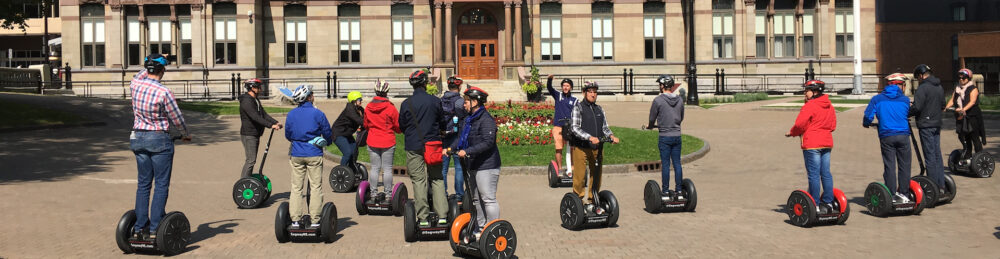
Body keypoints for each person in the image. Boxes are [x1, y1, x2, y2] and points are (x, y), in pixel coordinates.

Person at [129, 54, 192, 239]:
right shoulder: (164, 92)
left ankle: (140, 227)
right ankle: (155, 228)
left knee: (143, 184)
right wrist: (185, 133)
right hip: (158, 139)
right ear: (163, 70)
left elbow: (139, 74)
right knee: (161, 184)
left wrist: (154, 60)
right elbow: (177, 118)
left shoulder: (135, 85)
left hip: (138, 137)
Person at [446, 86, 500, 242]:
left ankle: (493, 230)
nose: (464, 105)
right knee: (476, 199)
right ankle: (481, 228)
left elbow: (488, 142)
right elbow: (461, 138)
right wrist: (450, 148)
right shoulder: (468, 120)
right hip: (473, 164)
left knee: (488, 198)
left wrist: (467, 151)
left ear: (475, 102)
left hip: (487, 165)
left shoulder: (486, 120)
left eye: (466, 101)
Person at [399, 70, 449, 227]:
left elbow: (402, 125)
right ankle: (442, 216)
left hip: (414, 145)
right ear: (425, 83)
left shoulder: (406, 104)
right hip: (432, 145)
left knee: (419, 181)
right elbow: (442, 122)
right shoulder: (435, 101)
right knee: (437, 178)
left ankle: (423, 218)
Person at [284, 85, 333, 228]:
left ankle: (295, 220)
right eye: (312, 94)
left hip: (297, 154)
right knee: (315, 187)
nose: (313, 96)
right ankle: (315, 220)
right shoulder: (318, 114)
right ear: (309, 97)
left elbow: (288, 134)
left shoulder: (291, 114)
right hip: (314, 153)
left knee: (296, 188)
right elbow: (327, 132)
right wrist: (328, 141)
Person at [569, 81, 619, 214]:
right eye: (590, 92)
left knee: (596, 175)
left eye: (595, 92)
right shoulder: (578, 108)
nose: (593, 94)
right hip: (581, 147)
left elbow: (605, 127)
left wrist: (611, 136)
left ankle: (592, 201)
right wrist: (589, 137)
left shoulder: (599, 109)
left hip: (597, 148)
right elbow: (575, 128)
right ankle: (578, 202)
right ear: (584, 93)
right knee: (580, 176)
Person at [786, 80, 837, 214]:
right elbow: (833, 126)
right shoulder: (829, 106)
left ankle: (815, 204)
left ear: (814, 92)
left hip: (812, 144)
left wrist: (792, 133)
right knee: (825, 173)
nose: (805, 93)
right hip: (826, 142)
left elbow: (799, 124)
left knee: (814, 175)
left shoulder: (810, 106)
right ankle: (828, 202)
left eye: (807, 91)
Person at [863, 75, 913, 204]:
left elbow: (868, 116)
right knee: (905, 165)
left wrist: (866, 123)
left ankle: (891, 194)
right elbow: (907, 113)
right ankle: (904, 194)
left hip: (887, 136)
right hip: (903, 135)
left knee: (890, 165)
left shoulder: (877, 99)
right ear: (901, 86)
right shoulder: (905, 100)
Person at [908, 64, 947, 190]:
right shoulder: (939, 87)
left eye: (917, 78)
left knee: (929, 157)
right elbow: (943, 105)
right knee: (937, 155)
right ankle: (941, 185)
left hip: (926, 125)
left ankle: (933, 187)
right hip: (936, 124)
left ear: (921, 75)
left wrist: (907, 113)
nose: (918, 80)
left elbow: (917, 107)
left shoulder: (923, 88)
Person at [646, 75, 685, 200]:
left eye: (660, 84)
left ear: (662, 86)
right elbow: (681, 117)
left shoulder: (658, 100)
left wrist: (650, 126)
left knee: (666, 165)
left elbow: (652, 118)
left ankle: (665, 192)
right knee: (677, 164)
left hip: (665, 136)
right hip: (677, 135)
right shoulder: (680, 100)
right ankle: (679, 192)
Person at [238, 78, 282, 179]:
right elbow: (255, 117)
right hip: (249, 134)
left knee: (251, 160)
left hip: (254, 133)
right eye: (258, 87)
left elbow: (263, 114)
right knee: (251, 160)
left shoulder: (255, 99)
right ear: (252, 88)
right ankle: (243, 182)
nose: (260, 89)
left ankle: (247, 179)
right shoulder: (246, 101)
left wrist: (275, 122)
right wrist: (270, 125)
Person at [364, 80, 401, 196]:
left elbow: (366, 125)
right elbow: (397, 126)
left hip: (372, 140)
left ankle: (373, 193)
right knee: (387, 169)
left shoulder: (368, 107)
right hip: (387, 141)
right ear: (387, 92)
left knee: (374, 168)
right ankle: (388, 194)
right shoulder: (390, 108)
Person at [945, 68, 986, 166]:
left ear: (968, 78)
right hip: (961, 116)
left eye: (963, 78)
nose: (961, 80)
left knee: (974, 137)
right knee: (964, 137)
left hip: (972, 116)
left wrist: (963, 109)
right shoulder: (957, 88)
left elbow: (972, 102)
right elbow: (952, 100)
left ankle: (980, 158)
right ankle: (968, 156)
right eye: (959, 78)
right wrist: (946, 107)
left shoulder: (973, 88)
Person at [441, 76, 467, 200]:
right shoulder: (460, 102)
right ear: (459, 86)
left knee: (443, 168)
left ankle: (443, 195)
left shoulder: (440, 100)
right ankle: (459, 195)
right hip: (457, 137)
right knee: (459, 167)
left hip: (443, 136)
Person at [547, 75, 578, 170]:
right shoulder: (558, 95)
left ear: (571, 87)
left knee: (572, 148)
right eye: (564, 85)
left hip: (570, 127)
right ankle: (559, 169)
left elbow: (578, 114)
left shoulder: (574, 100)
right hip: (558, 126)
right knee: (559, 148)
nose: (565, 87)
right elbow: (550, 88)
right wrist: (549, 79)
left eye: (567, 86)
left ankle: (572, 167)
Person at [332, 91, 365, 166]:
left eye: (361, 99)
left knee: (354, 152)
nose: (361, 101)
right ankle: (342, 170)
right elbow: (359, 120)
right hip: (339, 133)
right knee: (348, 153)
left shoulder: (360, 109)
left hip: (347, 134)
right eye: (359, 99)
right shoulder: (350, 109)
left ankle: (351, 168)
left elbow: (366, 118)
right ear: (354, 101)